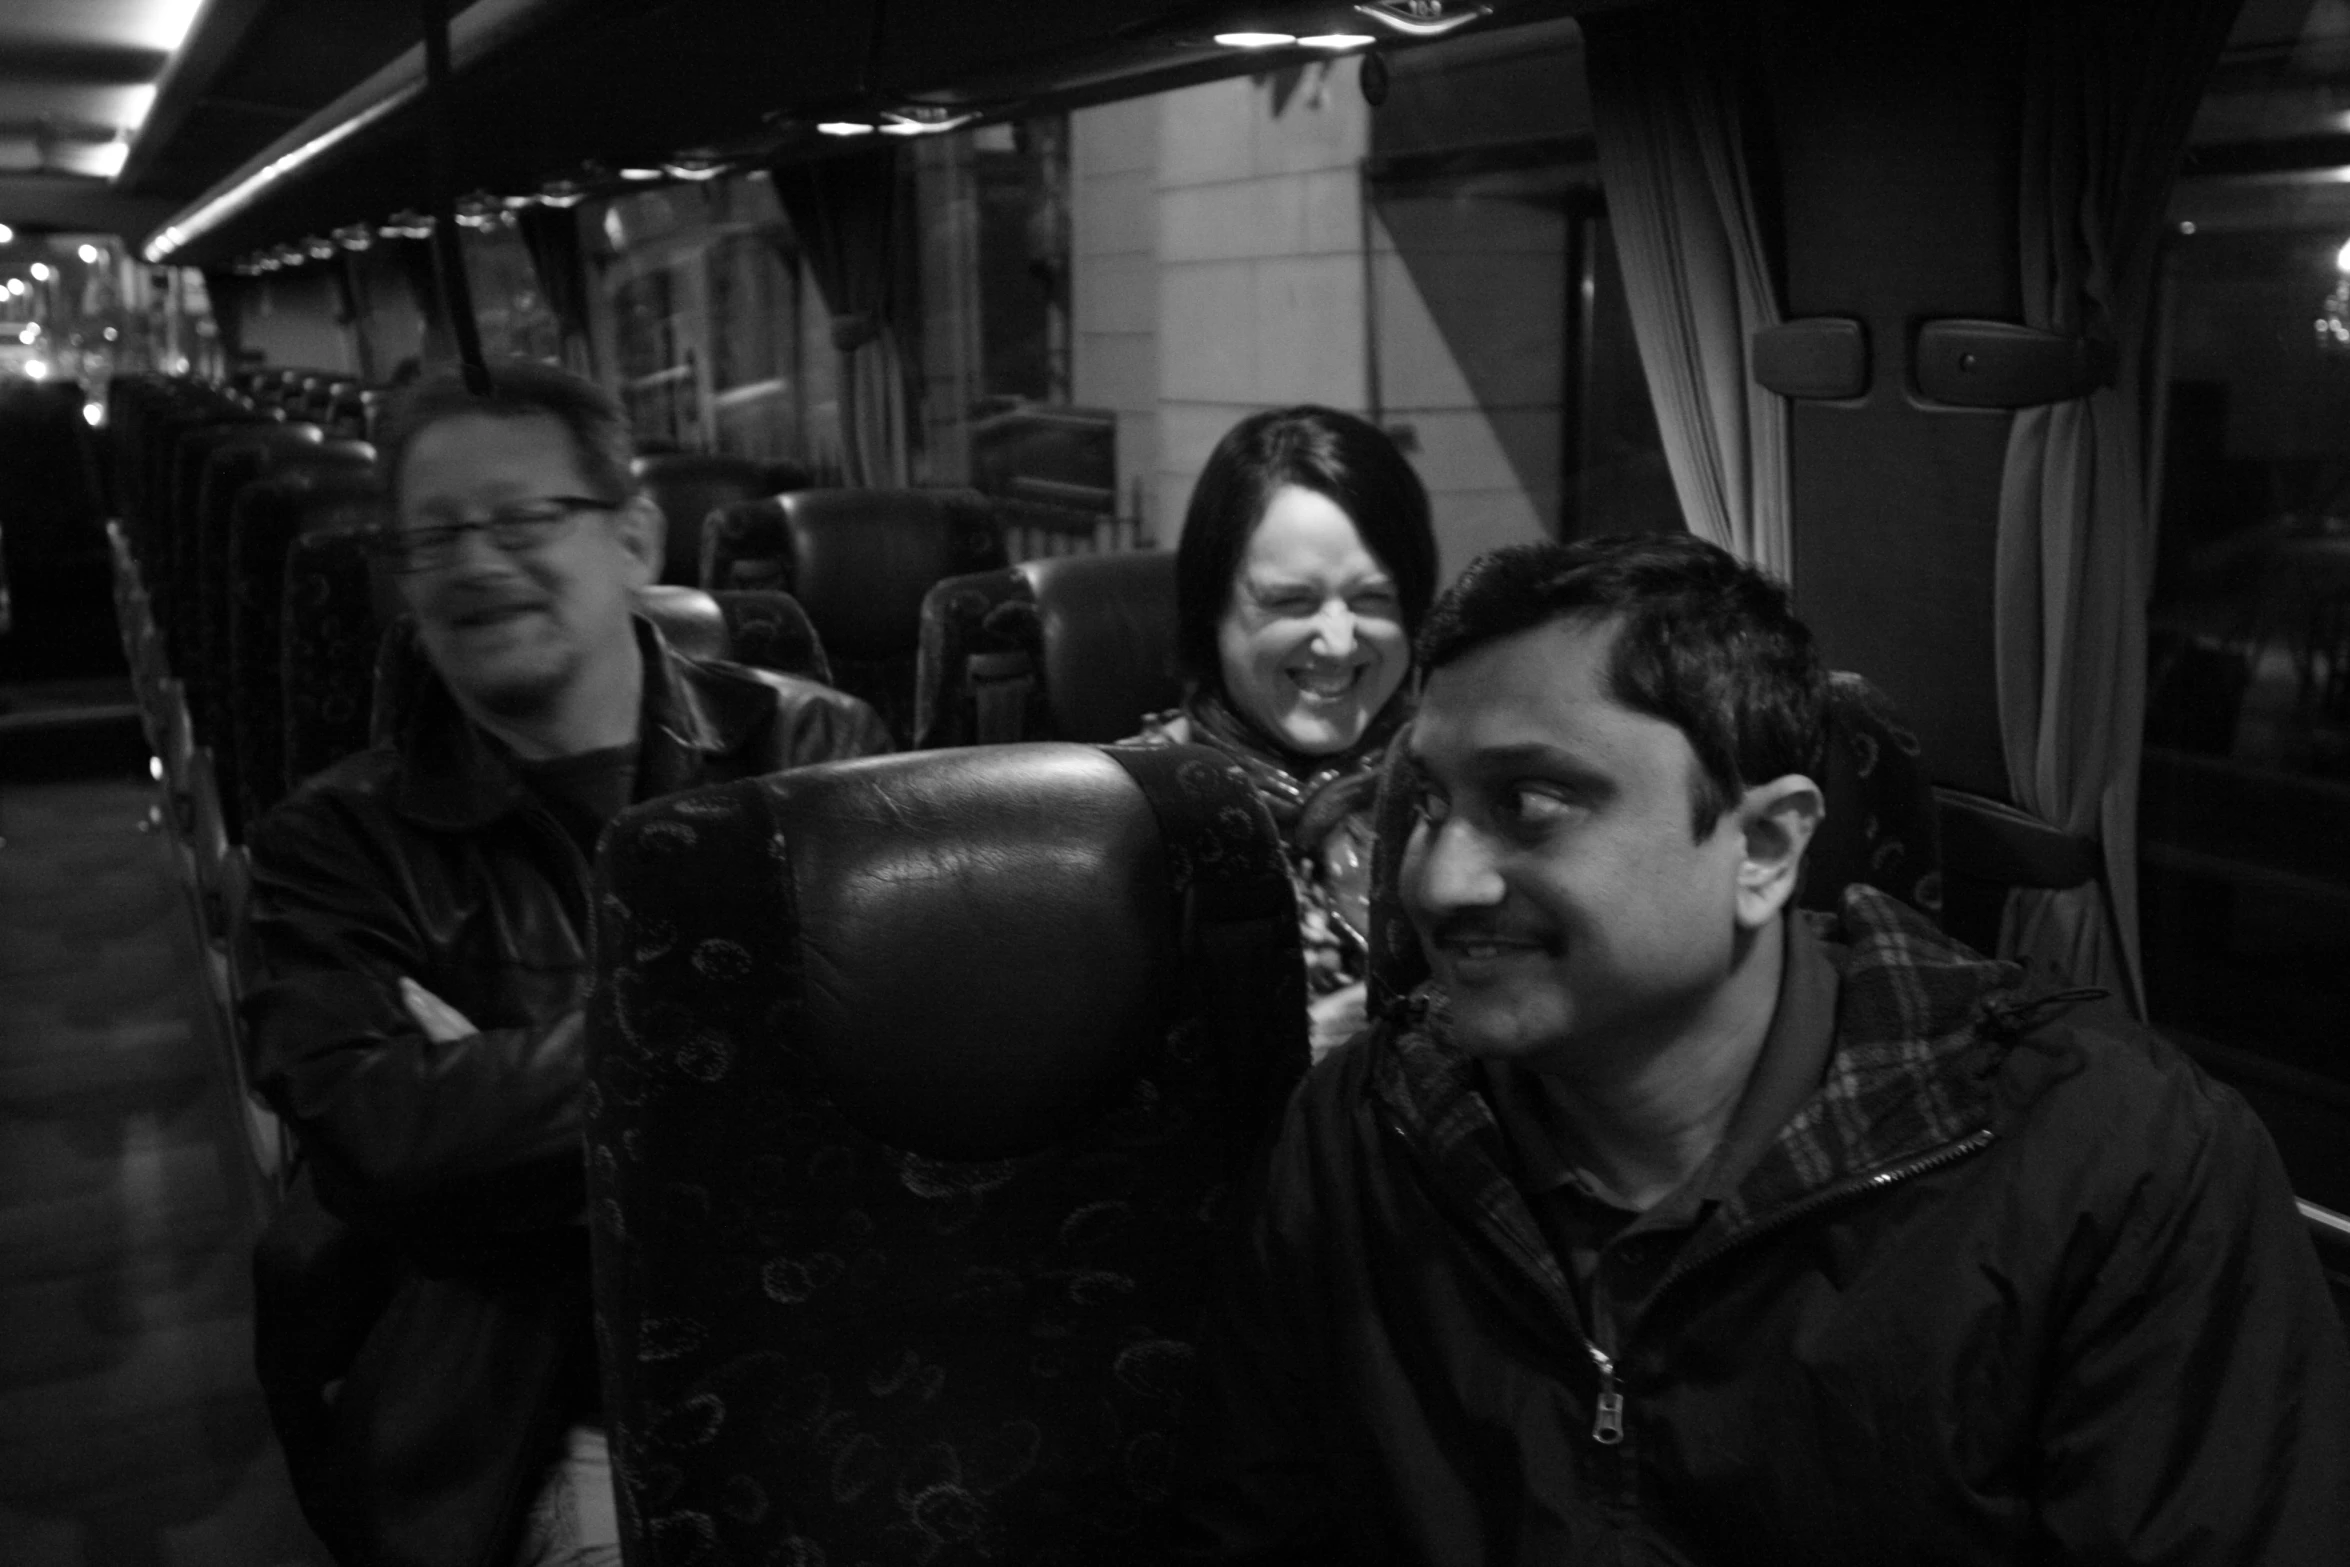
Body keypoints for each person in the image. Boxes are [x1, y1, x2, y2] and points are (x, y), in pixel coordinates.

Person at [1177, 534, 2350, 1563]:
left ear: (1767, 847)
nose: (1436, 878)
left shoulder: (2113, 1172)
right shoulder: (1362, 1138)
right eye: (1428, 803)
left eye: (1531, 803)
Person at [237, 360, 890, 1567]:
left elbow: (899, 1068)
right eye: (435, 537)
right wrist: (746, 1030)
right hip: (531, 1393)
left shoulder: (812, 747)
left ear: (632, 534)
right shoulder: (331, 847)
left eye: (525, 518)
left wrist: (496, 1085)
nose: (477, 565)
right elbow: (383, 1139)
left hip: (828, 1337)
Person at [1129, 405, 1437, 1057]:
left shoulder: (1456, 792)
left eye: (1372, 600)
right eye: (1290, 601)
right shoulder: (1126, 819)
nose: (1337, 641)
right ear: (1210, 609)